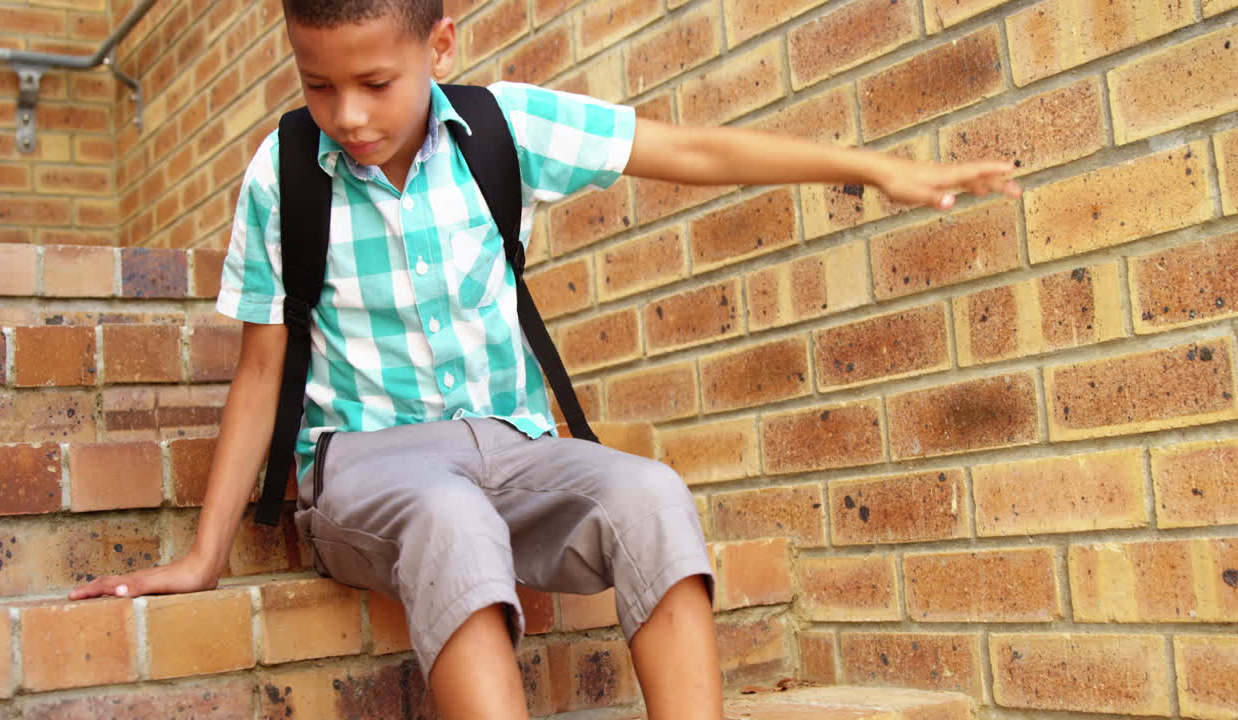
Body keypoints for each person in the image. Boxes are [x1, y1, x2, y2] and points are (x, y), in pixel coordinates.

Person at [69, 1, 1022, 718]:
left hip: (512, 448)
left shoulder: (501, 127)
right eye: (319, 86)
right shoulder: (283, 176)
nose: (349, 115)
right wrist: (203, 555)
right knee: (448, 515)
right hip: (366, 468)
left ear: (439, 48)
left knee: (649, 493)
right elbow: (262, 373)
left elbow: (687, 148)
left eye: (375, 83)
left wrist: (871, 167)